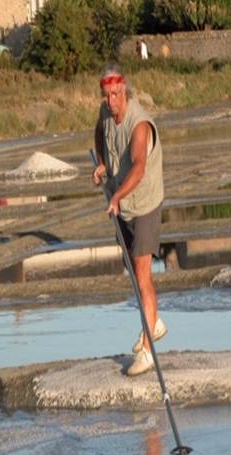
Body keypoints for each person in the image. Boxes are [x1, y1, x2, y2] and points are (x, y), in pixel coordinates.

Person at [92, 64, 166, 376]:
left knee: (142, 271)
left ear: (125, 92)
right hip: (122, 202)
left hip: (144, 202)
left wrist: (116, 195)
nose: (110, 101)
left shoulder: (140, 125)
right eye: (106, 95)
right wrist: (102, 164)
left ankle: (148, 351)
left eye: (115, 95)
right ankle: (156, 323)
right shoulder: (105, 113)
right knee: (135, 276)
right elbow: (99, 134)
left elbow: (138, 167)